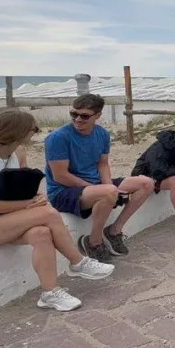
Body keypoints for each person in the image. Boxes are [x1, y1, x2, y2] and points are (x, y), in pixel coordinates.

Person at [0, 110, 114, 311]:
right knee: (48, 213)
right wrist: (28, 205)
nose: (35, 133)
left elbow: (21, 190)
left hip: (7, 218)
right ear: (19, 131)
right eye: (33, 129)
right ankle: (79, 262)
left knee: (41, 233)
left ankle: (50, 293)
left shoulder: (18, 153)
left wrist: (36, 197)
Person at [44, 93, 156, 263]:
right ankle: (93, 242)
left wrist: (109, 186)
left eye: (84, 116)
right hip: (63, 192)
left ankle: (114, 231)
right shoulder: (58, 138)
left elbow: (103, 164)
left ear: (97, 116)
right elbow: (60, 176)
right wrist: (102, 189)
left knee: (146, 183)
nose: (78, 119)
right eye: (74, 114)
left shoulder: (102, 134)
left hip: (93, 185)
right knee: (108, 191)